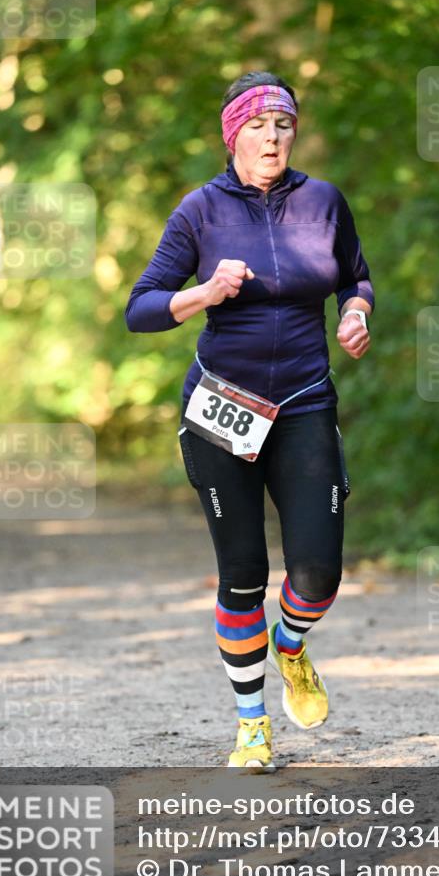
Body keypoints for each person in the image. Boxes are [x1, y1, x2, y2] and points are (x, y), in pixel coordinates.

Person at [125, 71, 374, 772]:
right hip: (220, 410)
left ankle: (291, 646)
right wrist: (203, 292)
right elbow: (140, 308)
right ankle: (252, 726)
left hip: (301, 403)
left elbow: (356, 275)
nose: (273, 136)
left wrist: (356, 311)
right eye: (260, 125)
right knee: (240, 573)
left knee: (318, 572)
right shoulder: (199, 211)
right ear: (234, 132)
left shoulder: (323, 202)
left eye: (284, 124)